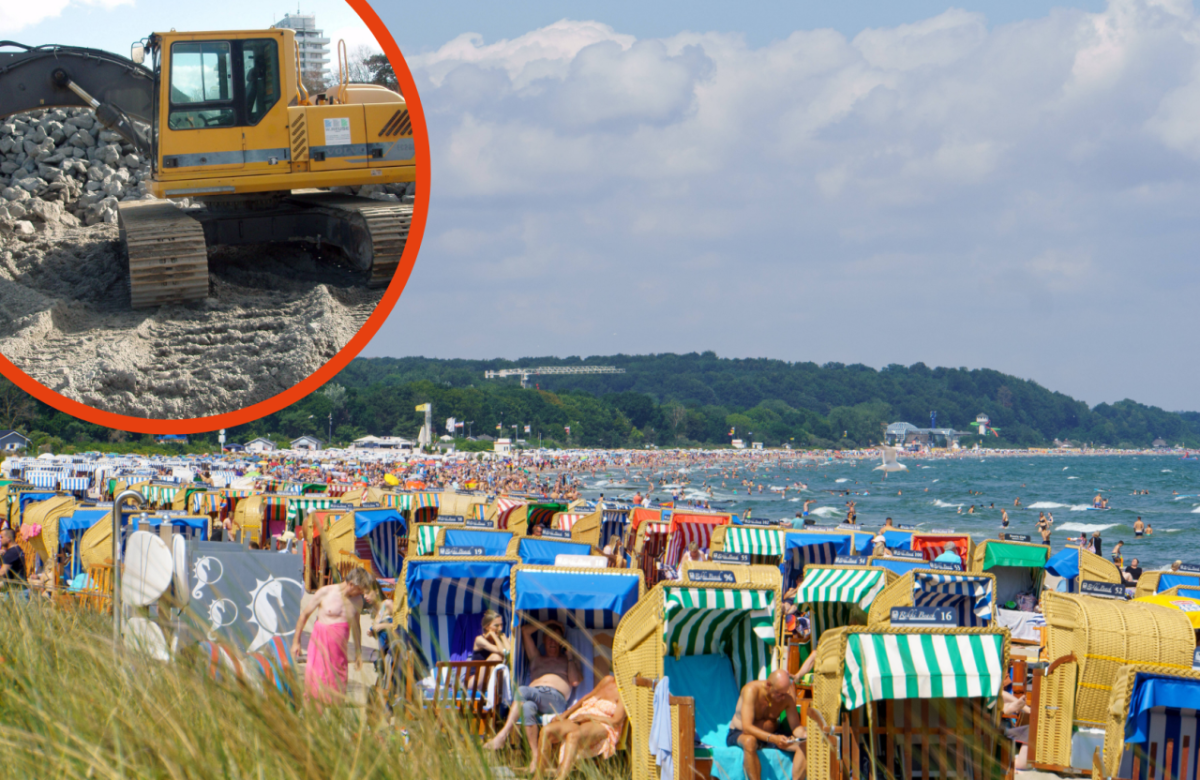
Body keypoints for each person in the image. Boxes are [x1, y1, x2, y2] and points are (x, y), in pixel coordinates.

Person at [484, 620, 582, 771]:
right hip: (533, 697)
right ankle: (536, 757)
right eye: (548, 637)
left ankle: (502, 736)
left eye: (556, 638)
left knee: (523, 691)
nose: (552, 641)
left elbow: (575, 681)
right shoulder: (536, 657)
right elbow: (524, 631)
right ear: (543, 640)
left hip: (555, 699)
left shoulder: (568, 660)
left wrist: (569, 656)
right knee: (528, 707)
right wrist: (549, 622)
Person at [291, 566, 370, 706]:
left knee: (338, 689)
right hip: (320, 647)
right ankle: (311, 720)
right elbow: (304, 615)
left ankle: (332, 722)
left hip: (339, 653)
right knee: (315, 686)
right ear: (351, 584)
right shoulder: (325, 592)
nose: (362, 593)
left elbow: (356, 626)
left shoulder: (357, 600)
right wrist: (296, 642)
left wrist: (358, 651)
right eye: (360, 589)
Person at [534, 675, 626, 780]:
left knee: (574, 736)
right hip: (582, 714)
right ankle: (538, 777)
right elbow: (587, 697)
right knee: (547, 731)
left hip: (601, 722)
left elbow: (616, 721)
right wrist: (566, 713)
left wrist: (589, 717)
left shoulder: (626, 692)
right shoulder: (608, 680)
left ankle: (561, 777)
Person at [727, 668, 807, 780]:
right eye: (779, 694)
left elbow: (795, 727)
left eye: (785, 693)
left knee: (805, 744)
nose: (783, 698)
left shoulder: (786, 698)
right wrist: (773, 738)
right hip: (741, 733)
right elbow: (747, 728)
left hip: (772, 735)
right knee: (750, 741)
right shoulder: (751, 690)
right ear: (768, 685)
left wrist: (804, 735)